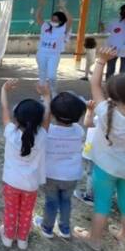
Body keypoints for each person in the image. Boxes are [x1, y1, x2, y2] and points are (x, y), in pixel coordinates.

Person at [73, 44, 125, 251]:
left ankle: (94, 239)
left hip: (105, 168)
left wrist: (101, 60)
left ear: (111, 93)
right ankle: (124, 238)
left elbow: (94, 82)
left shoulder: (104, 110)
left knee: (101, 205)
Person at [0, 79, 49, 250]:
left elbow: (4, 109)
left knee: (11, 211)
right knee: (26, 213)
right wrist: (47, 95)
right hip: (31, 185)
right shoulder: (42, 135)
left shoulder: (10, 132)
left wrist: (4, 90)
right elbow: (47, 118)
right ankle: (22, 240)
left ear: (16, 118)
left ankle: (8, 236)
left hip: (11, 182)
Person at [33, 92, 86, 240]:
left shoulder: (47, 131)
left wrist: (47, 100)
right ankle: (65, 228)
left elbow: (45, 120)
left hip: (51, 174)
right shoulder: (78, 131)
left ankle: (47, 227)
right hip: (71, 176)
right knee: (65, 201)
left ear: (54, 114)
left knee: (51, 201)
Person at [34, 0, 73, 93]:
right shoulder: (46, 26)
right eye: (52, 19)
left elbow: (70, 20)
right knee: (42, 75)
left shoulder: (64, 29)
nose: (53, 21)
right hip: (41, 54)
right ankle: (44, 93)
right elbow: (38, 17)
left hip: (54, 55)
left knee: (52, 75)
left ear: (61, 21)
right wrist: (41, 5)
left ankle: (53, 91)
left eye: (56, 20)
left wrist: (63, 7)